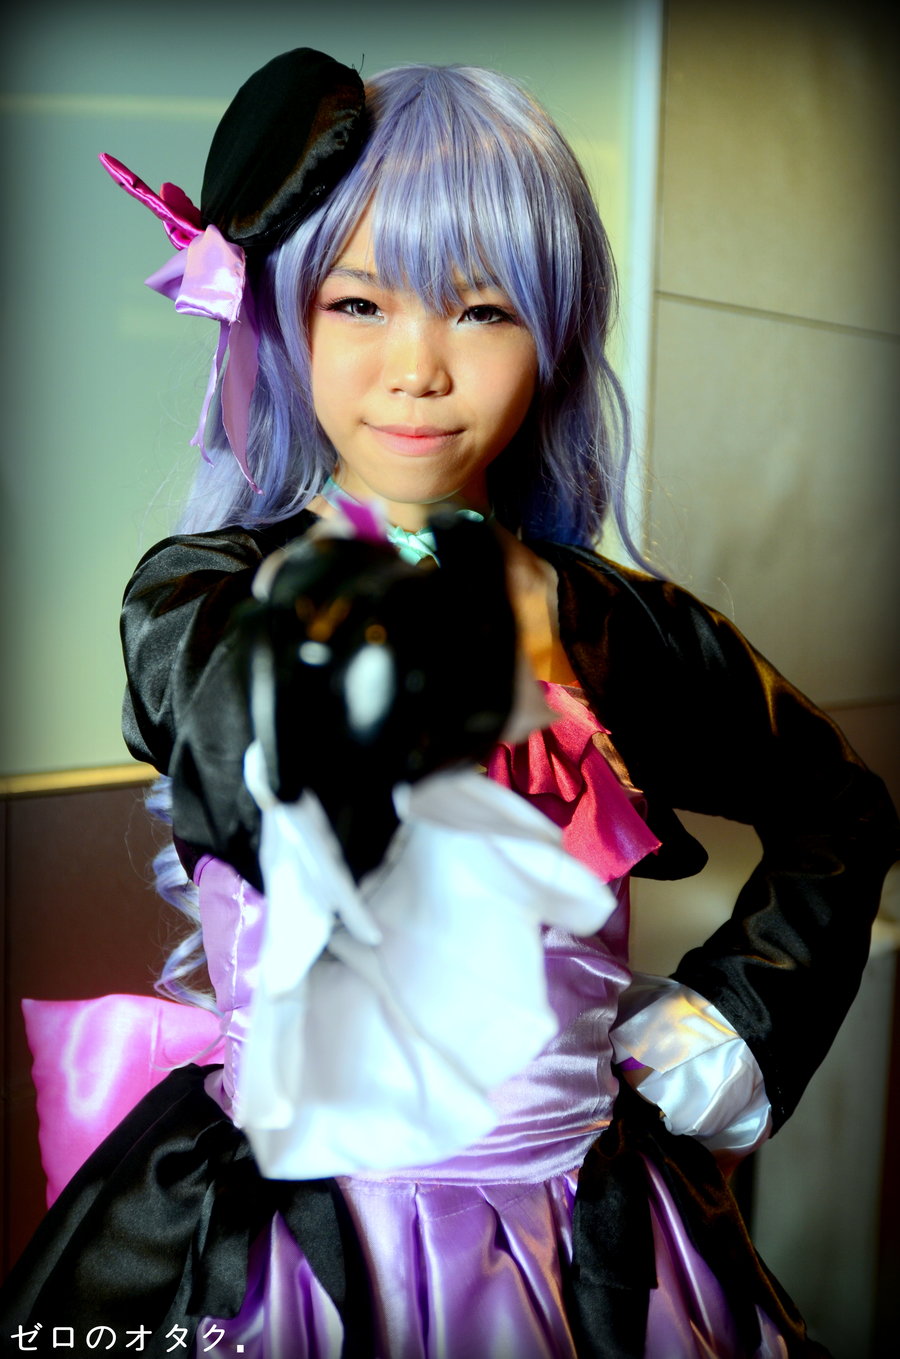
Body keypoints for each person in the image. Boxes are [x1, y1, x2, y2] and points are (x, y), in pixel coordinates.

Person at [2, 47, 897, 1359]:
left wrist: (735, 1021)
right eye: (360, 302)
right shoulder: (200, 595)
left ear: (556, 338)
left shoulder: (615, 624)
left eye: (481, 310)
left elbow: (839, 806)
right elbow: (233, 723)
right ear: (285, 316)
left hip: (583, 1246)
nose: (416, 368)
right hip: (291, 1243)